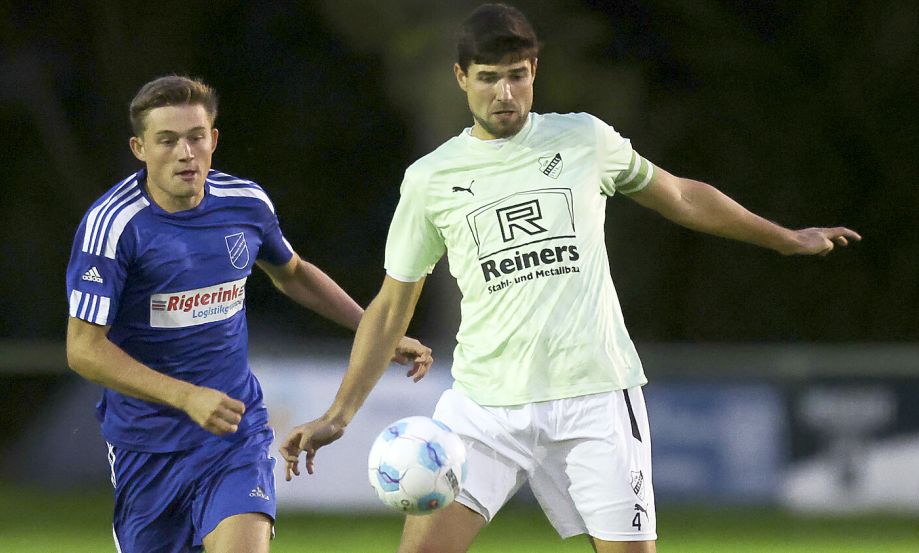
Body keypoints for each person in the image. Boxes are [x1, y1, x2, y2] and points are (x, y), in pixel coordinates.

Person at [279, 3, 860, 553]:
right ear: (461, 78)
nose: (505, 93)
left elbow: (681, 195)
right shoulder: (431, 179)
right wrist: (339, 414)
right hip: (485, 406)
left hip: (595, 395)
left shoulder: (583, 138)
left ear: (534, 71)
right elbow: (391, 305)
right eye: (488, 78)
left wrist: (783, 237)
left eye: (516, 75)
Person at [64, 75, 433, 553]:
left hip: (234, 434)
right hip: (147, 445)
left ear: (213, 139)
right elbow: (84, 349)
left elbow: (293, 274)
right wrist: (186, 397)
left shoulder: (245, 203)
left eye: (196, 137)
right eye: (168, 140)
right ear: (140, 148)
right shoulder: (112, 227)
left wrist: (375, 330)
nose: (185, 153)